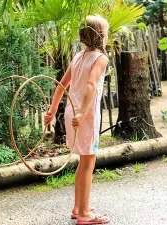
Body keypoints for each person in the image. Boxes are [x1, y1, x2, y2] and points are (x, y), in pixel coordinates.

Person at [44, 15, 110, 225]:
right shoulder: (100, 58)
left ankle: (78, 207)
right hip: (85, 116)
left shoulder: (79, 56)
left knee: (83, 162)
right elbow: (91, 85)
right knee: (88, 162)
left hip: (72, 113)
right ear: (101, 35)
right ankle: (84, 214)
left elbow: (61, 84)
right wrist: (83, 113)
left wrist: (53, 110)